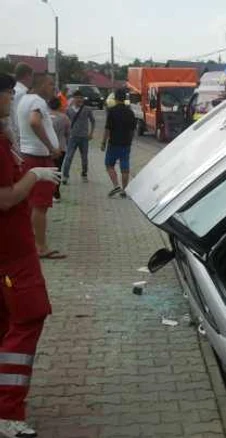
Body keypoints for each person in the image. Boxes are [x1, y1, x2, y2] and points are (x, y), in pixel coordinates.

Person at [0, 72, 61, 438]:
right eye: (7, 95)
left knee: (6, 321)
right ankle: (7, 411)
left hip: (8, 250)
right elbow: (5, 198)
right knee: (28, 318)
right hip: (12, 252)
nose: (10, 100)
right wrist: (35, 175)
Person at [16, 73, 66, 260]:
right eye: (50, 84)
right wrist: (51, 147)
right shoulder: (37, 101)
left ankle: (30, 243)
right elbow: (35, 122)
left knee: (30, 204)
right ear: (40, 85)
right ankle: (41, 246)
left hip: (28, 155)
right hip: (39, 158)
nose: (53, 87)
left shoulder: (24, 100)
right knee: (41, 205)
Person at [102, 88, 136, 198]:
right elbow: (133, 130)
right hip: (126, 144)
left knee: (109, 165)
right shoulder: (130, 112)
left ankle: (116, 185)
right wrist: (130, 141)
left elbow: (108, 129)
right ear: (125, 99)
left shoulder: (112, 111)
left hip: (113, 143)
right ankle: (124, 190)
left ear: (116, 98)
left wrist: (103, 142)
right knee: (125, 168)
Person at [62, 90, 95, 184]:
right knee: (69, 157)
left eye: (81, 98)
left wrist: (91, 133)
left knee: (84, 157)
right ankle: (65, 176)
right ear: (73, 99)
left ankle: (84, 174)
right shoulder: (68, 110)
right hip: (72, 137)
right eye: (77, 98)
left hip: (84, 137)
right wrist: (65, 134)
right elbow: (65, 122)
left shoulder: (87, 109)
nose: (79, 100)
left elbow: (93, 121)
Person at [48, 97, 69, 202]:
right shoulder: (64, 118)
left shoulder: (45, 116)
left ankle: (47, 192)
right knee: (58, 170)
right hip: (61, 147)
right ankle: (56, 193)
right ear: (59, 105)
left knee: (48, 170)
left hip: (47, 148)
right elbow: (68, 133)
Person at [8, 63, 33, 144]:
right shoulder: (22, 93)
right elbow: (17, 117)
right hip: (20, 138)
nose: (32, 79)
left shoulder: (15, 89)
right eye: (31, 76)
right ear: (27, 76)